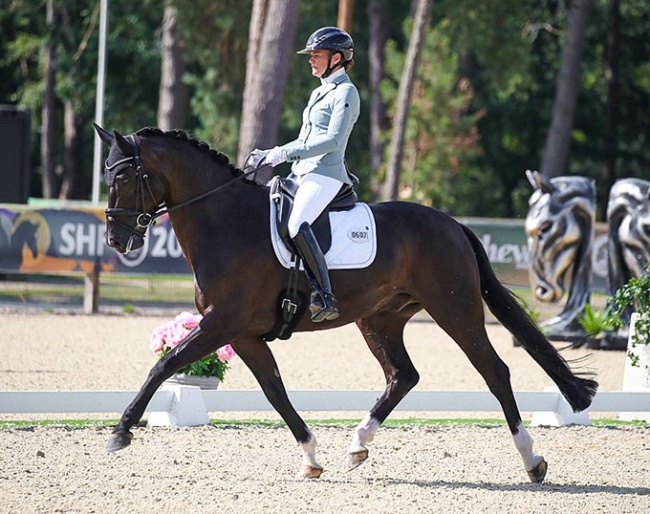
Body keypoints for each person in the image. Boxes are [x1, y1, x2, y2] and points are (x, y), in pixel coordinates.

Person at [252, 27, 360, 323]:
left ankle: (325, 295)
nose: (311, 60)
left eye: (317, 55)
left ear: (336, 58)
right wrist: (274, 154)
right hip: (303, 171)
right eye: (311, 55)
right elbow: (305, 137)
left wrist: (283, 154)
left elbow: (333, 141)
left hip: (326, 173)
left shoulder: (345, 92)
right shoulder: (320, 91)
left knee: (297, 223)